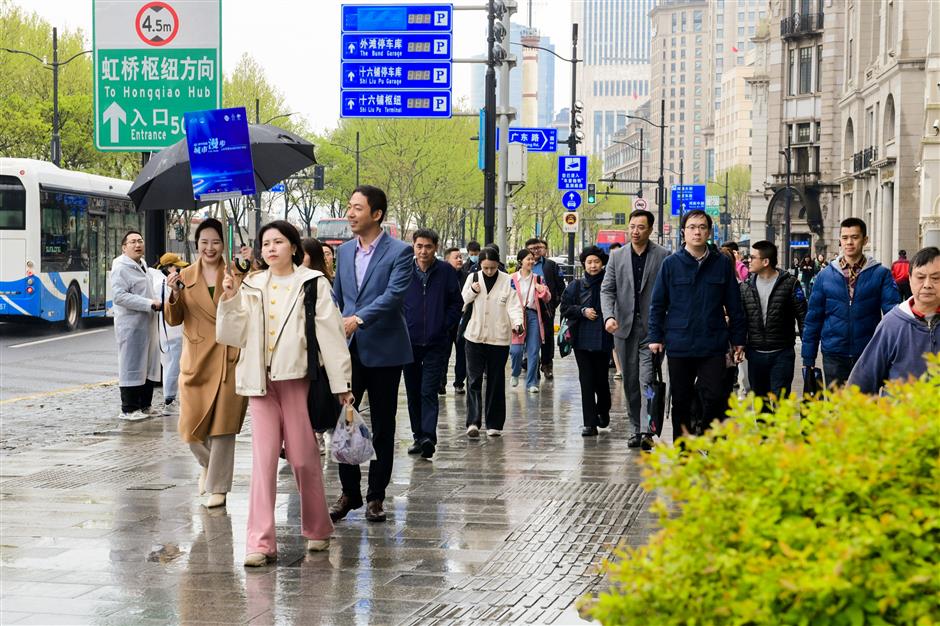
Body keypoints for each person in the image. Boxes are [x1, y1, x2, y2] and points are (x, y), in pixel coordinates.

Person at [217, 220, 353, 567]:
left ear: (294, 247)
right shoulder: (251, 284)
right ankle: (259, 543)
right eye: (266, 244)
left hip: (297, 380)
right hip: (259, 383)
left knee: (304, 457)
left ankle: (318, 527)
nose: (271, 248)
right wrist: (230, 299)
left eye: (278, 242)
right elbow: (232, 336)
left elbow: (332, 337)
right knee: (262, 462)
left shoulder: (312, 283)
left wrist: (343, 387)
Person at [331, 185, 414, 524]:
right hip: (348, 349)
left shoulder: (400, 252)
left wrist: (359, 318)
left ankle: (376, 497)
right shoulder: (344, 251)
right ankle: (349, 493)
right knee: (346, 421)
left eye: (357, 208)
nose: (350, 214)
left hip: (385, 349)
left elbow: (394, 295)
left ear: (376, 214)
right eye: (349, 207)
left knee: (383, 425)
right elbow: (338, 297)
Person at [164, 219, 250, 508]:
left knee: (223, 428)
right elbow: (173, 319)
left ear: (223, 245)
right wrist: (174, 295)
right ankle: (208, 465)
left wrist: (232, 291)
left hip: (229, 357)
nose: (210, 247)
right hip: (197, 360)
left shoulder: (237, 273)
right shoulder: (185, 276)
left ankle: (219, 487)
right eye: (204, 242)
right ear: (196, 244)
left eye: (215, 242)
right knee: (189, 427)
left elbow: (248, 312)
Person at [648, 210, 747, 441]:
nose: (697, 231)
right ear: (683, 232)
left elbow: (734, 305)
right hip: (679, 343)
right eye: (692, 227)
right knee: (681, 399)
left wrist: (739, 340)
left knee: (715, 396)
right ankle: (683, 449)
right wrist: (655, 337)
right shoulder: (671, 264)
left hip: (712, 343)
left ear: (709, 232)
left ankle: (710, 442)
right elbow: (657, 304)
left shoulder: (721, 264)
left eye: (702, 227)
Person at [801, 217, 900, 387]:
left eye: (855, 237)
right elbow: (813, 319)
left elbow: (893, 315)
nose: (849, 242)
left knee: (865, 408)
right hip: (834, 354)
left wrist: (895, 352)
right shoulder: (825, 276)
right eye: (845, 237)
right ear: (840, 240)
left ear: (865, 240)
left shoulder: (880, 274)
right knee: (836, 408)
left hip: (868, 352)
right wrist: (808, 357)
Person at [600, 209, 670, 447]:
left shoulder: (663, 256)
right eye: (632, 226)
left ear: (650, 230)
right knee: (630, 382)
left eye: (641, 227)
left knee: (647, 380)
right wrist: (608, 316)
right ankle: (634, 428)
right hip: (623, 328)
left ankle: (647, 430)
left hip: (652, 331)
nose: (635, 231)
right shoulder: (617, 257)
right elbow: (607, 289)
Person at [402, 230, 463, 460]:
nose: (423, 251)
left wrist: (444, 326)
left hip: (437, 342)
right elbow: (395, 300)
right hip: (408, 342)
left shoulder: (446, 271)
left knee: (429, 390)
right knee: (413, 390)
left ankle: (428, 436)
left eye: (428, 246)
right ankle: (418, 435)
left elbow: (456, 303)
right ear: (413, 247)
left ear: (436, 247)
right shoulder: (405, 270)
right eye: (419, 246)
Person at [849, 247, 940, 393]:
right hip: (900, 414)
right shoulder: (892, 324)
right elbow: (862, 381)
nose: (927, 284)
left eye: (936, 278)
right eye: (920, 277)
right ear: (910, 279)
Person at [462, 247, 524, 438]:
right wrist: (472, 292)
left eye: (493, 267)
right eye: (486, 268)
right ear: (480, 265)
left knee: (496, 381)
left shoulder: (508, 281)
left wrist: (518, 323)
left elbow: (514, 306)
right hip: (474, 336)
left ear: (498, 264)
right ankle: (473, 422)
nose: (489, 271)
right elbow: (462, 301)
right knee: (473, 380)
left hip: (498, 338)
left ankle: (494, 423)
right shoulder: (472, 279)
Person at [739, 241, 807, 402]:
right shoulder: (745, 287)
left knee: (780, 404)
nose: (748, 260)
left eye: (753, 257)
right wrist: (739, 344)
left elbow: (803, 317)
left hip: (782, 354)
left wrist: (808, 350)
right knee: (761, 405)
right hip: (755, 355)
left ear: (765, 261)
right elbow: (741, 320)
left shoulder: (790, 284)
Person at [562, 246, 614, 437]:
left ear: (602, 263)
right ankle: (589, 423)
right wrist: (582, 311)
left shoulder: (609, 284)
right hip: (581, 338)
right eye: (589, 262)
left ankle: (603, 410)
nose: (593, 266)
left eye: (597, 262)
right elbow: (565, 308)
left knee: (601, 380)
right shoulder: (575, 286)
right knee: (586, 380)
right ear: (584, 263)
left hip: (603, 338)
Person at [111, 230, 162, 420]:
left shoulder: (142, 265)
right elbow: (119, 296)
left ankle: (144, 405)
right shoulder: (120, 267)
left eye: (140, 240)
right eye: (132, 242)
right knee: (131, 365)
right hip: (131, 326)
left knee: (148, 365)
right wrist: (149, 303)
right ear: (124, 247)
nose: (137, 244)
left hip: (147, 324)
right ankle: (129, 408)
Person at [150, 253, 188, 416]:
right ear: (168, 268)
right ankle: (169, 400)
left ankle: (170, 398)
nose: (180, 270)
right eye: (177, 267)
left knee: (172, 365)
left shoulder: (162, 282)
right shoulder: (163, 284)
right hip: (171, 332)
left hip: (171, 331)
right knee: (173, 366)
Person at [509, 248, 552, 393]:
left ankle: (532, 383)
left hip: (534, 315)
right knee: (516, 350)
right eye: (528, 259)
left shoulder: (538, 278)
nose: (531, 261)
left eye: (532, 259)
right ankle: (515, 373)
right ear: (520, 261)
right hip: (517, 316)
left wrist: (542, 290)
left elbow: (547, 298)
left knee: (533, 350)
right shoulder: (512, 278)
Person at [526, 238, 566, 380]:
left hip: (546, 308)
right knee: (531, 337)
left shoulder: (551, 265)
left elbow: (561, 287)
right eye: (532, 248)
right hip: (528, 309)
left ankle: (547, 364)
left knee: (548, 337)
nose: (535, 251)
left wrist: (554, 303)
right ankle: (532, 365)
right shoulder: (524, 265)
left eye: (538, 248)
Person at [442, 246, 467, 394]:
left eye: (460, 257)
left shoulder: (467, 276)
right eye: (456, 257)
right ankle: (441, 383)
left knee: (462, 354)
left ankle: (459, 383)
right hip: (445, 323)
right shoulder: (441, 277)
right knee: (443, 354)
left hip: (462, 323)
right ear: (447, 260)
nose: (459, 260)